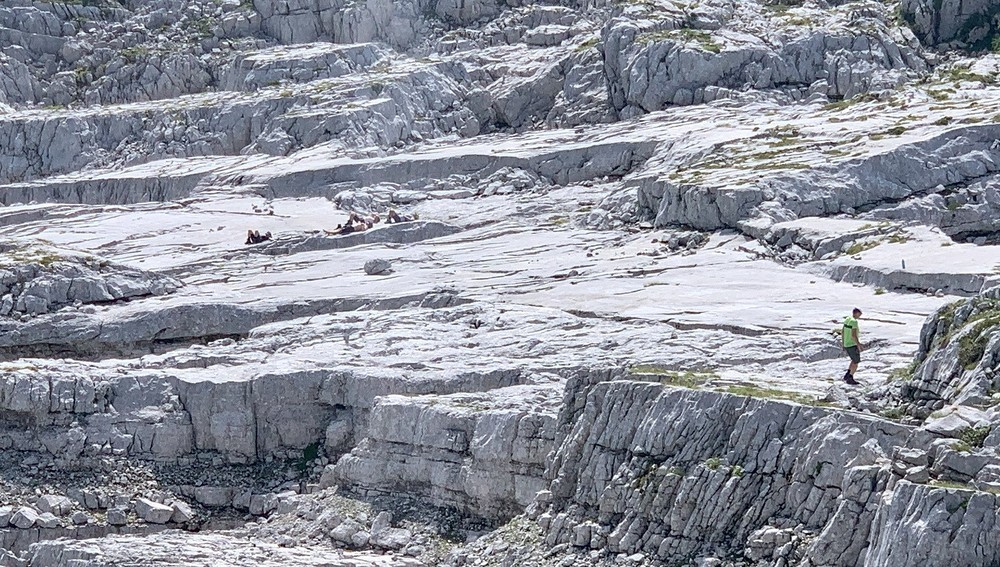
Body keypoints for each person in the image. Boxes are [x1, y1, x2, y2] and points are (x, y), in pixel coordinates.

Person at [842, 308, 863, 385]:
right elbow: (853, 335)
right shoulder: (854, 322)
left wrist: (843, 342)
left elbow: (843, 331)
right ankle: (850, 377)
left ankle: (847, 375)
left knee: (853, 359)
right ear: (856, 313)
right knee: (856, 361)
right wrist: (859, 344)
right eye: (859, 314)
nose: (860, 316)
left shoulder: (847, 319)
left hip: (847, 343)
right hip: (852, 344)